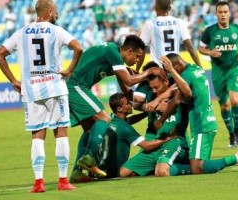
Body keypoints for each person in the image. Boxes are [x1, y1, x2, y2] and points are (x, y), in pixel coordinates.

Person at [0, 0, 83, 193]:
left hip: (32, 91)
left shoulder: (21, 32)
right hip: (55, 88)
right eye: (55, 12)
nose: (56, 15)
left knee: (37, 135)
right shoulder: (56, 30)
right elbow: (78, 47)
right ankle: (62, 181)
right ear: (50, 12)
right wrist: (68, 70)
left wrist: (13, 80)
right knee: (61, 132)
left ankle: (38, 183)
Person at [67, 34, 167, 177]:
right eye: (137, 56)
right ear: (129, 51)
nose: (137, 60)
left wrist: (137, 102)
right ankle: (89, 158)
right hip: (76, 87)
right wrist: (148, 72)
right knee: (104, 119)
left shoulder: (112, 53)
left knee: (90, 130)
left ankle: (77, 172)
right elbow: (129, 80)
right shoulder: (112, 52)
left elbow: (125, 85)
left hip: (76, 87)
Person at [155, 53, 238, 175]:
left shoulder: (186, 74)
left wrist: (161, 120)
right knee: (197, 165)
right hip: (206, 122)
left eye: (173, 71)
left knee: (197, 168)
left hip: (201, 124)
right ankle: (213, 166)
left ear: (178, 65)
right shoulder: (196, 69)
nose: (173, 75)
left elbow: (180, 97)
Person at [70, 92, 175, 182]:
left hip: (97, 171)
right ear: (120, 109)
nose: (131, 105)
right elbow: (146, 146)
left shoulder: (109, 119)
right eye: (127, 104)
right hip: (112, 173)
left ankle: (79, 170)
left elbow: (129, 120)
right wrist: (167, 139)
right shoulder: (124, 128)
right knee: (146, 162)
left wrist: (147, 113)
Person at [120, 70, 190, 177]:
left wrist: (158, 103)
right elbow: (135, 103)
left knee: (161, 172)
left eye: (156, 87)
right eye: (151, 88)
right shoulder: (151, 96)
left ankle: (193, 167)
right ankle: (160, 164)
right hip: (155, 142)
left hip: (174, 141)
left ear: (166, 82)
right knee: (124, 172)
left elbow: (185, 93)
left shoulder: (179, 93)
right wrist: (156, 105)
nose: (153, 91)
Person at [198, 0, 238, 148]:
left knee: (235, 100)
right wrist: (210, 52)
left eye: (225, 12)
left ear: (229, 13)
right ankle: (231, 134)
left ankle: (237, 130)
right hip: (218, 73)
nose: (223, 15)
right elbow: (200, 48)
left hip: (234, 69)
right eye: (220, 12)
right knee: (225, 106)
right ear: (216, 14)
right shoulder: (209, 31)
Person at [137, 0, 202, 71]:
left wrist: (137, 70)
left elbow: (142, 50)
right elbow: (190, 48)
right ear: (170, 8)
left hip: (159, 70)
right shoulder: (179, 22)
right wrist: (200, 68)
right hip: (175, 69)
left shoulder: (150, 24)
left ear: (155, 7)